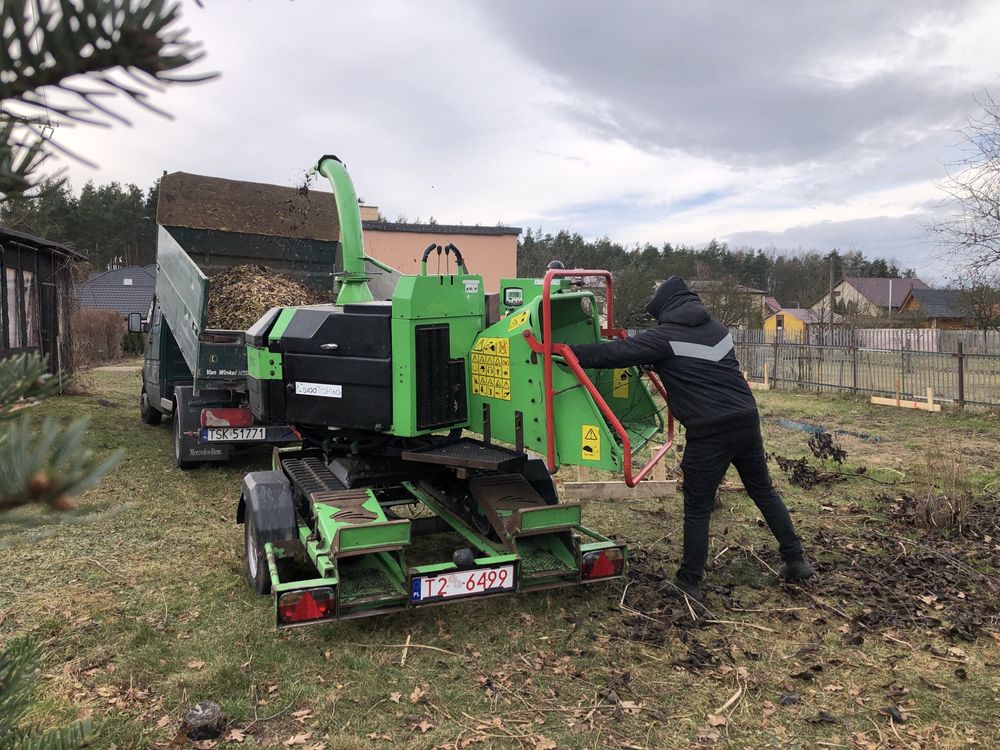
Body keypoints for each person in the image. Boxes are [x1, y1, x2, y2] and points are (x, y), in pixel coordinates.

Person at [569, 276, 813, 602]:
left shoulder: (665, 337)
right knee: (764, 491)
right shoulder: (718, 328)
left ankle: (690, 582)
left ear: (666, 310)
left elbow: (614, 354)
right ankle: (796, 559)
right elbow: (686, 360)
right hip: (745, 420)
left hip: (710, 431)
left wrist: (565, 351)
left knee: (697, 507)